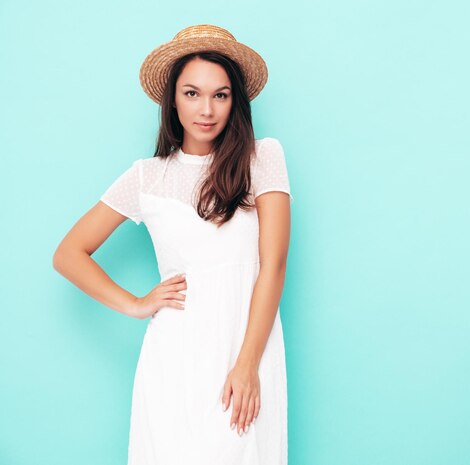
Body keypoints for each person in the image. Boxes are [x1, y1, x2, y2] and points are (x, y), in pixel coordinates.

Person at [52, 24, 292, 465]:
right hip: (174, 356)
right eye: (192, 93)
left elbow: (273, 265)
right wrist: (135, 304)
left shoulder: (263, 158)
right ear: (173, 99)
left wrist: (247, 364)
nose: (206, 109)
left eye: (220, 95)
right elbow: (68, 254)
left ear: (235, 100)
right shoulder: (148, 176)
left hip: (245, 352)